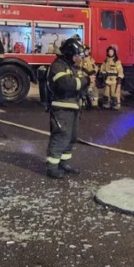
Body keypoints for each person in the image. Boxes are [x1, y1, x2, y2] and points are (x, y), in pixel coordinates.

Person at [46, 37, 86, 179]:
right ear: (69, 53)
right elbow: (66, 84)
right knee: (61, 136)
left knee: (71, 137)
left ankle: (64, 163)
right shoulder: (58, 66)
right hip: (60, 107)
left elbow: (76, 84)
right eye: (76, 55)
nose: (78, 59)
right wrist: (84, 81)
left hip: (72, 106)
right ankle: (52, 167)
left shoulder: (69, 67)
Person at [100, 45, 124, 110]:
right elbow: (102, 69)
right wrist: (103, 74)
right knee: (106, 93)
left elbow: (120, 70)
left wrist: (119, 79)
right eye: (109, 51)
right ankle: (106, 104)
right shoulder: (105, 61)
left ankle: (115, 105)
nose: (110, 52)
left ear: (114, 52)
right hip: (107, 80)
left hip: (114, 81)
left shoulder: (117, 61)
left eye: (112, 51)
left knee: (114, 94)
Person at [78, 45, 98, 110]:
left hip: (91, 78)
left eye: (87, 51)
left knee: (92, 90)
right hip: (84, 78)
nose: (86, 52)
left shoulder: (91, 60)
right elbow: (79, 68)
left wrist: (94, 71)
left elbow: (96, 67)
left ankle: (94, 104)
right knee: (83, 91)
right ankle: (83, 104)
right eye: (85, 51)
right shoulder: (81, 60)